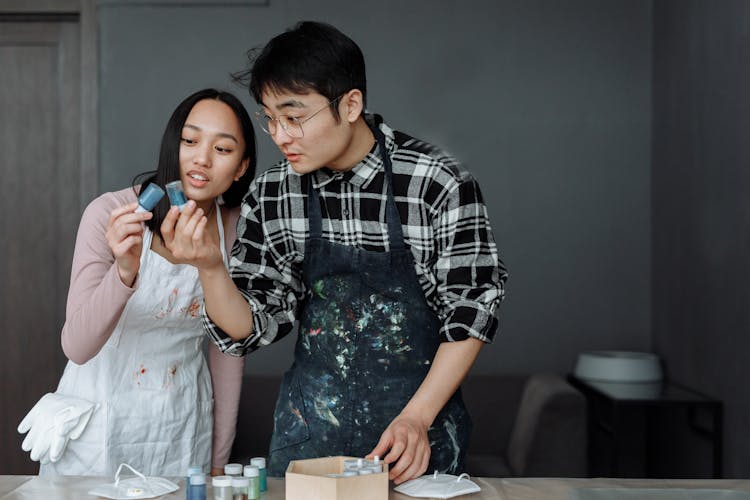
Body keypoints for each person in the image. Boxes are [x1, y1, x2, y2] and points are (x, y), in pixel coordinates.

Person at [165, 22, 507, 484]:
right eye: (270, 118)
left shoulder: (435, 183)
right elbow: (250, 327)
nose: (280, 135)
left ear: (350, 104)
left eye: (294, 116)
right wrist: (209, 267)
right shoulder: (273, 194)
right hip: (308, 440)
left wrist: (416, 419)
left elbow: (473, 308)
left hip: (415, 443)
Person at [27, 88, 256, 476]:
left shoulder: (235, 230)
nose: (201, 158)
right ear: (173, 145)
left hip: (181, 427)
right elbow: (77, 347)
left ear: (241, 167)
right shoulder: (110, 214)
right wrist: (124, 271)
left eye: (222, 149)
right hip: (99, 426)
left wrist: (218, 460)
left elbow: (229, 349)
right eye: (190, 140)